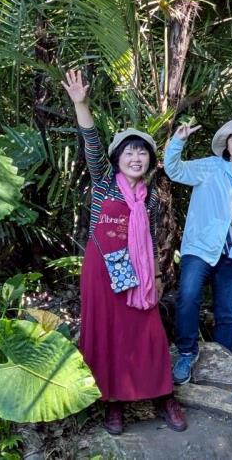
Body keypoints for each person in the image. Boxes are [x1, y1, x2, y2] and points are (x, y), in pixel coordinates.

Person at [62, 69, 186, 436]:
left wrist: (159, 277)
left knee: (150, 334)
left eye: (142, 152)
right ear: (118, 158)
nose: (136, 157)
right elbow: (92, 145)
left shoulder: (149, 199)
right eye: (130, 151)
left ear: (149, 160)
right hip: (102, 271)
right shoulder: (103, 182)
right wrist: (81, 104)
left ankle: (164, 397)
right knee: (105, 334)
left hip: (138, 275)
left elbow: (157, 244)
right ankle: (112, 403)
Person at [164, 117, 232, 385]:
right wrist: (178, 141)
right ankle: (187, 353)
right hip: (201, 249)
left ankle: (225, 360)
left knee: (226, 312)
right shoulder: (210, 167)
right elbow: (174, 170)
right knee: (188, 297)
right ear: (226, 144)